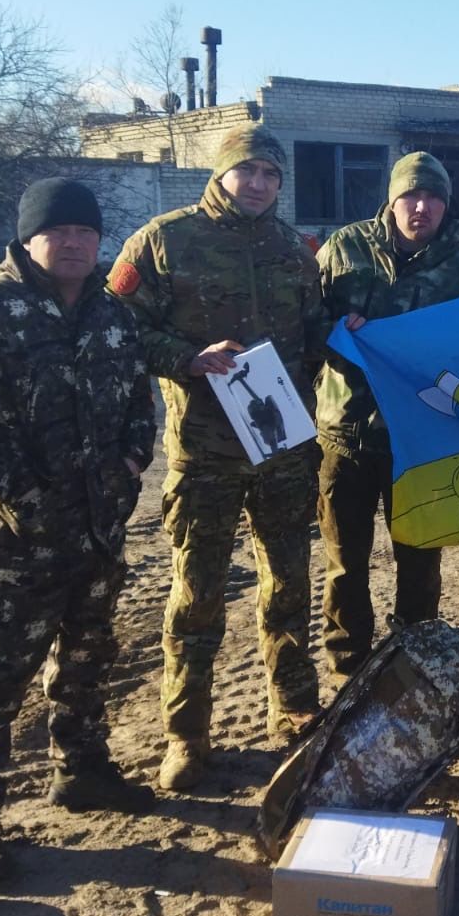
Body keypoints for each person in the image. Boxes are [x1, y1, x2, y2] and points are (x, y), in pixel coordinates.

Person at [0, 179, 158, 881]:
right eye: (58, 230)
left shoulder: (112, 314)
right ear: (28, 237)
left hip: (101, 529)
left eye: (86, 233)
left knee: (90, 656)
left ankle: (83, 768)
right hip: (19, 540)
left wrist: (130, 463)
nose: (73, 243)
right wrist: (23, 498)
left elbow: (137, 402)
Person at [109, 124, 329, 792]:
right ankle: (187, 736)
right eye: (247, 171)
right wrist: (183, 360)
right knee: (197, 599)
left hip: (282, 450)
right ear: (221, 173)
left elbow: (313, 333)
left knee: (289, 588)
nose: (258, 183)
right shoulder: (164, 240)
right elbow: (114, 323)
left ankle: (292, 710)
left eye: (270, 173)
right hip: (204, 453)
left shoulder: (295, 248)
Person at [316, 152, 459, 687]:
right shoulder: (343, 250)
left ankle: (414, 660)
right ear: (391, 199)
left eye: (433, 197)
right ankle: (348, 665)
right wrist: (335, 327)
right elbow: (302, 314)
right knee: (346, 561)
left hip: (421, 440)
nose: (422, 207)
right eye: (411, 195)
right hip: (346, 434)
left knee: (419, 561)